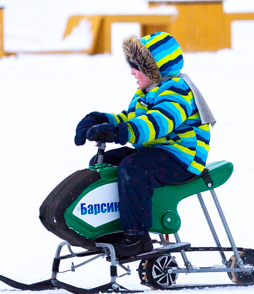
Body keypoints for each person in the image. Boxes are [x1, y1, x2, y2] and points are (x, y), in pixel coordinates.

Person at [73, 32, 215, 258]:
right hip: (155, 152)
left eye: (136, 66)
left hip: (181, 158)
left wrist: (121, 132)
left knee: (134, 168)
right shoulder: (145, 92)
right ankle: (111, 228)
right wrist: (102, 120)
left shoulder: (177, 90)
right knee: (104, 163)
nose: (131, 71)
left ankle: (136, 237)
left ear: (155, 68)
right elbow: (131, 118)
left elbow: (158, 123)